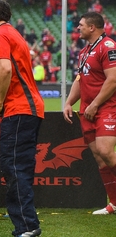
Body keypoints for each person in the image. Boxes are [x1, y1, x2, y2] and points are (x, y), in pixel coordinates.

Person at [0, 0, 44, 237]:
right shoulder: (12, 33)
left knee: (13, 167)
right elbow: (10, 74)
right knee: (16, 166)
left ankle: (27, 227)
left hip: (19, 109)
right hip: (28, 108)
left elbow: (5, 70)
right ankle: (27, 224)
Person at [63, 12, 116, 216]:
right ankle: (114, 203)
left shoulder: (108, 47)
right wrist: (69, 102)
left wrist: (94, 104)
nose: (78, 28)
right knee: (100, 158)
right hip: (87, 110)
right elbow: (79, 79)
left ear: (92, 27)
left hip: (105, 108)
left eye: (81, 25)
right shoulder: (84, 51)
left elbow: (112, 80)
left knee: (105, 151)